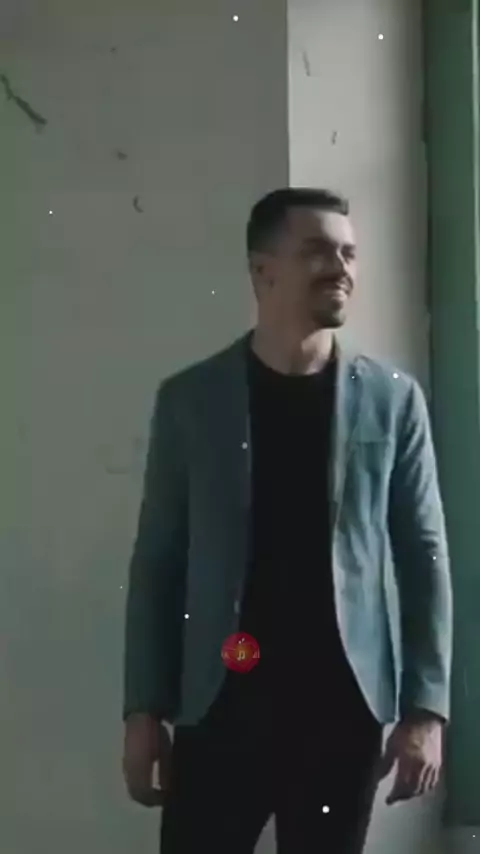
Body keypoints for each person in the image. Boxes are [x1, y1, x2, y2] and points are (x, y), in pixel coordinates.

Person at [122, 188, 453, 853]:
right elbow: (159, 561)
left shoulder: (392, 402)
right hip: (220, 703)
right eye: (318, 251)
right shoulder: (191, 400)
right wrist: (143, 710)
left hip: (342, 709)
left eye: (349, 253)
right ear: (261, 270)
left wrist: (426, 710)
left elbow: (424, 558)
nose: (341, 268)